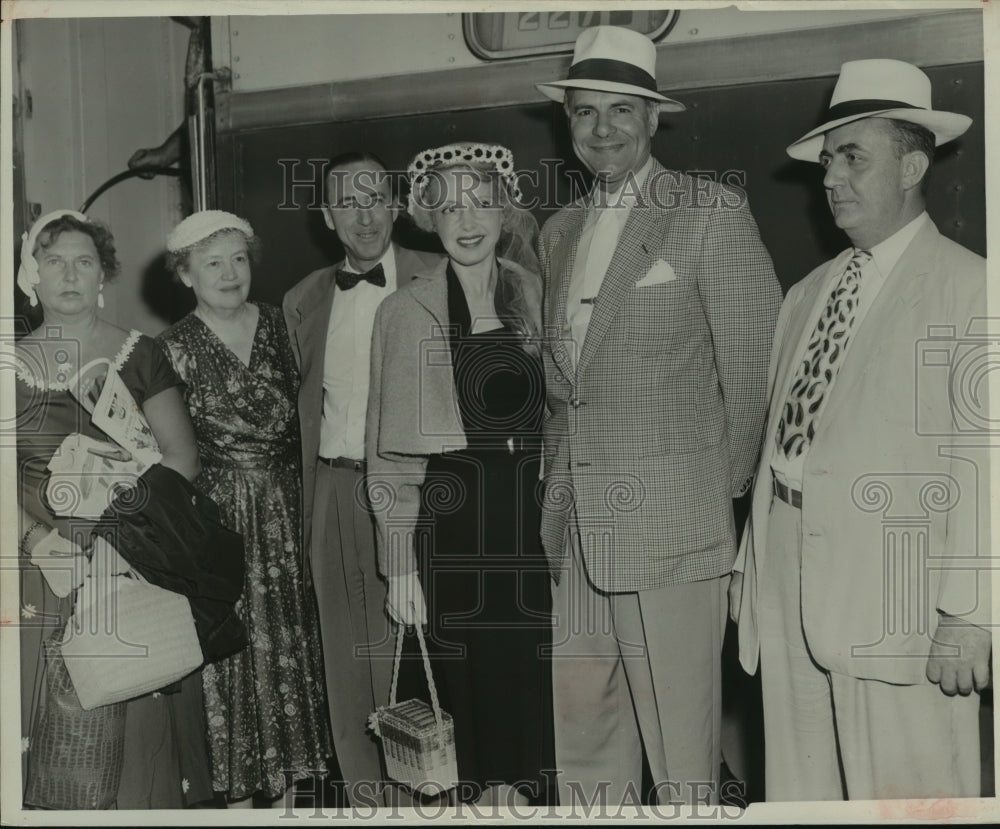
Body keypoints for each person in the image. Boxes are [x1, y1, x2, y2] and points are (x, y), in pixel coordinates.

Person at [533, 26, 782, 807]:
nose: (601, 129)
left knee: (681, 750)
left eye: (620, 111)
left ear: (652, 119)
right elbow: (560, 387)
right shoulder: (559, 231)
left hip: (673, 529)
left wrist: (713, 497)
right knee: (585, 739)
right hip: (577, 529)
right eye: (583, 113)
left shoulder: (709, 212)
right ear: (567, 123)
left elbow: (755, 377)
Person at [730, 58, 991, 800]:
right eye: (827, 160)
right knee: (799, 794)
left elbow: (986, 461)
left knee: (910, 798)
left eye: (852, 157)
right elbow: (781, 443)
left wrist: (969, 615)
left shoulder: (971, 288)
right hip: (788, 585)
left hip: (900, 606)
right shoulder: (808, 291)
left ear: (912, 164)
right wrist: (753, 572)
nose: (830, 178)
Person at [366, 142, 551, 806]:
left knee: (535, 671)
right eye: (448, 208)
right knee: (467, 678)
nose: (466, 219)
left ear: (504, 209)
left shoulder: (534, 291)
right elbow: (386, 457)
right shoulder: (404, 311)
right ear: (428, 219)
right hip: (453, 519)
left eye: (480, 202)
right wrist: (399, 565)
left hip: (532, 515)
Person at [15, 209, 213, 809]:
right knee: (51, 744)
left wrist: (118, 539)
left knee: (133, 736)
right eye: (54, 261)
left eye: (84, 261)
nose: (70, 275)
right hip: (37, 568)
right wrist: (35, 541)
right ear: (32, 275)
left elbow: (182, 460)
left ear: (104, 274)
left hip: (126, 560)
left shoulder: (140, 354)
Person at [157, 210, 331, 807]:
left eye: (238, 258)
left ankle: (287, 802)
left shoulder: (288, 325)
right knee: (231, 662)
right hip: (220, 524)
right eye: (212, 263)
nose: (230, 273)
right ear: (185, 274)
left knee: (292, 650)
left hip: (292, 514)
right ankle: (234, 806)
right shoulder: (170, 350)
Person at [282, 152, 441, 803]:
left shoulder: (436, 278)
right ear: (327, 217)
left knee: (405, 655)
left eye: (378, 195)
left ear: (397, 204)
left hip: (412, 493)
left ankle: (423, 800)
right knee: (343, 662)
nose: (366, 213)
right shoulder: (304, 298)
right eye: (349, 201)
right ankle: (368, 804)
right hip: (330, 489)